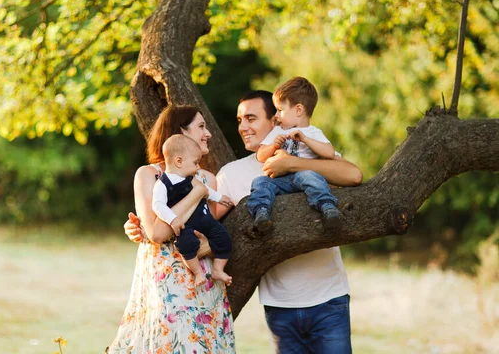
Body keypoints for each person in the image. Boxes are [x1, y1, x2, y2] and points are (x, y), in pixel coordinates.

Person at [125, 88, 362, 354]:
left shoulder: (307, 152)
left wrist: (292, 164)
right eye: (239, 121)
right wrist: (141, 228)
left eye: (251, 118)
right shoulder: (230, 175)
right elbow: (209, 226)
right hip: (278, 302)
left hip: (328, 296)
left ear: (275, 121)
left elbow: (353, 175)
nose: (243, 127)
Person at [108, 105, 235, 353]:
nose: (208, 133)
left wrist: (209, 243)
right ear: (180, 134)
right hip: (166, 287)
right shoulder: (149, 175)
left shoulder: (208, 178)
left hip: (203, 283)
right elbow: (157, 233)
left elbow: (212, 229)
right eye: (201, 126)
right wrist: (196, 194)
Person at [248, 77, 342, 233]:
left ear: (298, 110)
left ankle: (328, 207)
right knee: (260, 182)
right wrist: (274, 145)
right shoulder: (278, 131)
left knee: (310, 176)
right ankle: (261, 212)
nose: (276, 116)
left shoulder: (313, 132)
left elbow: (329, 153)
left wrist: (305, 139)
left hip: (304, 178)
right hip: (281, 181)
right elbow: (261, 156)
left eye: (280, 110)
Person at [152, 134, 234, 287]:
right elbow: (158, 205)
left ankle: (218, 269)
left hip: (205, 220)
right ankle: (197, 272)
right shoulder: (162, 184)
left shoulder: (189, 178)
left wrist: (219, 198)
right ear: (179, 161)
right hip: (186, 226)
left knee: (224, 238)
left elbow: (206, 190)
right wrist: (172, 219)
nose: (198, 167)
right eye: (196, 163)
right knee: (185, 244)